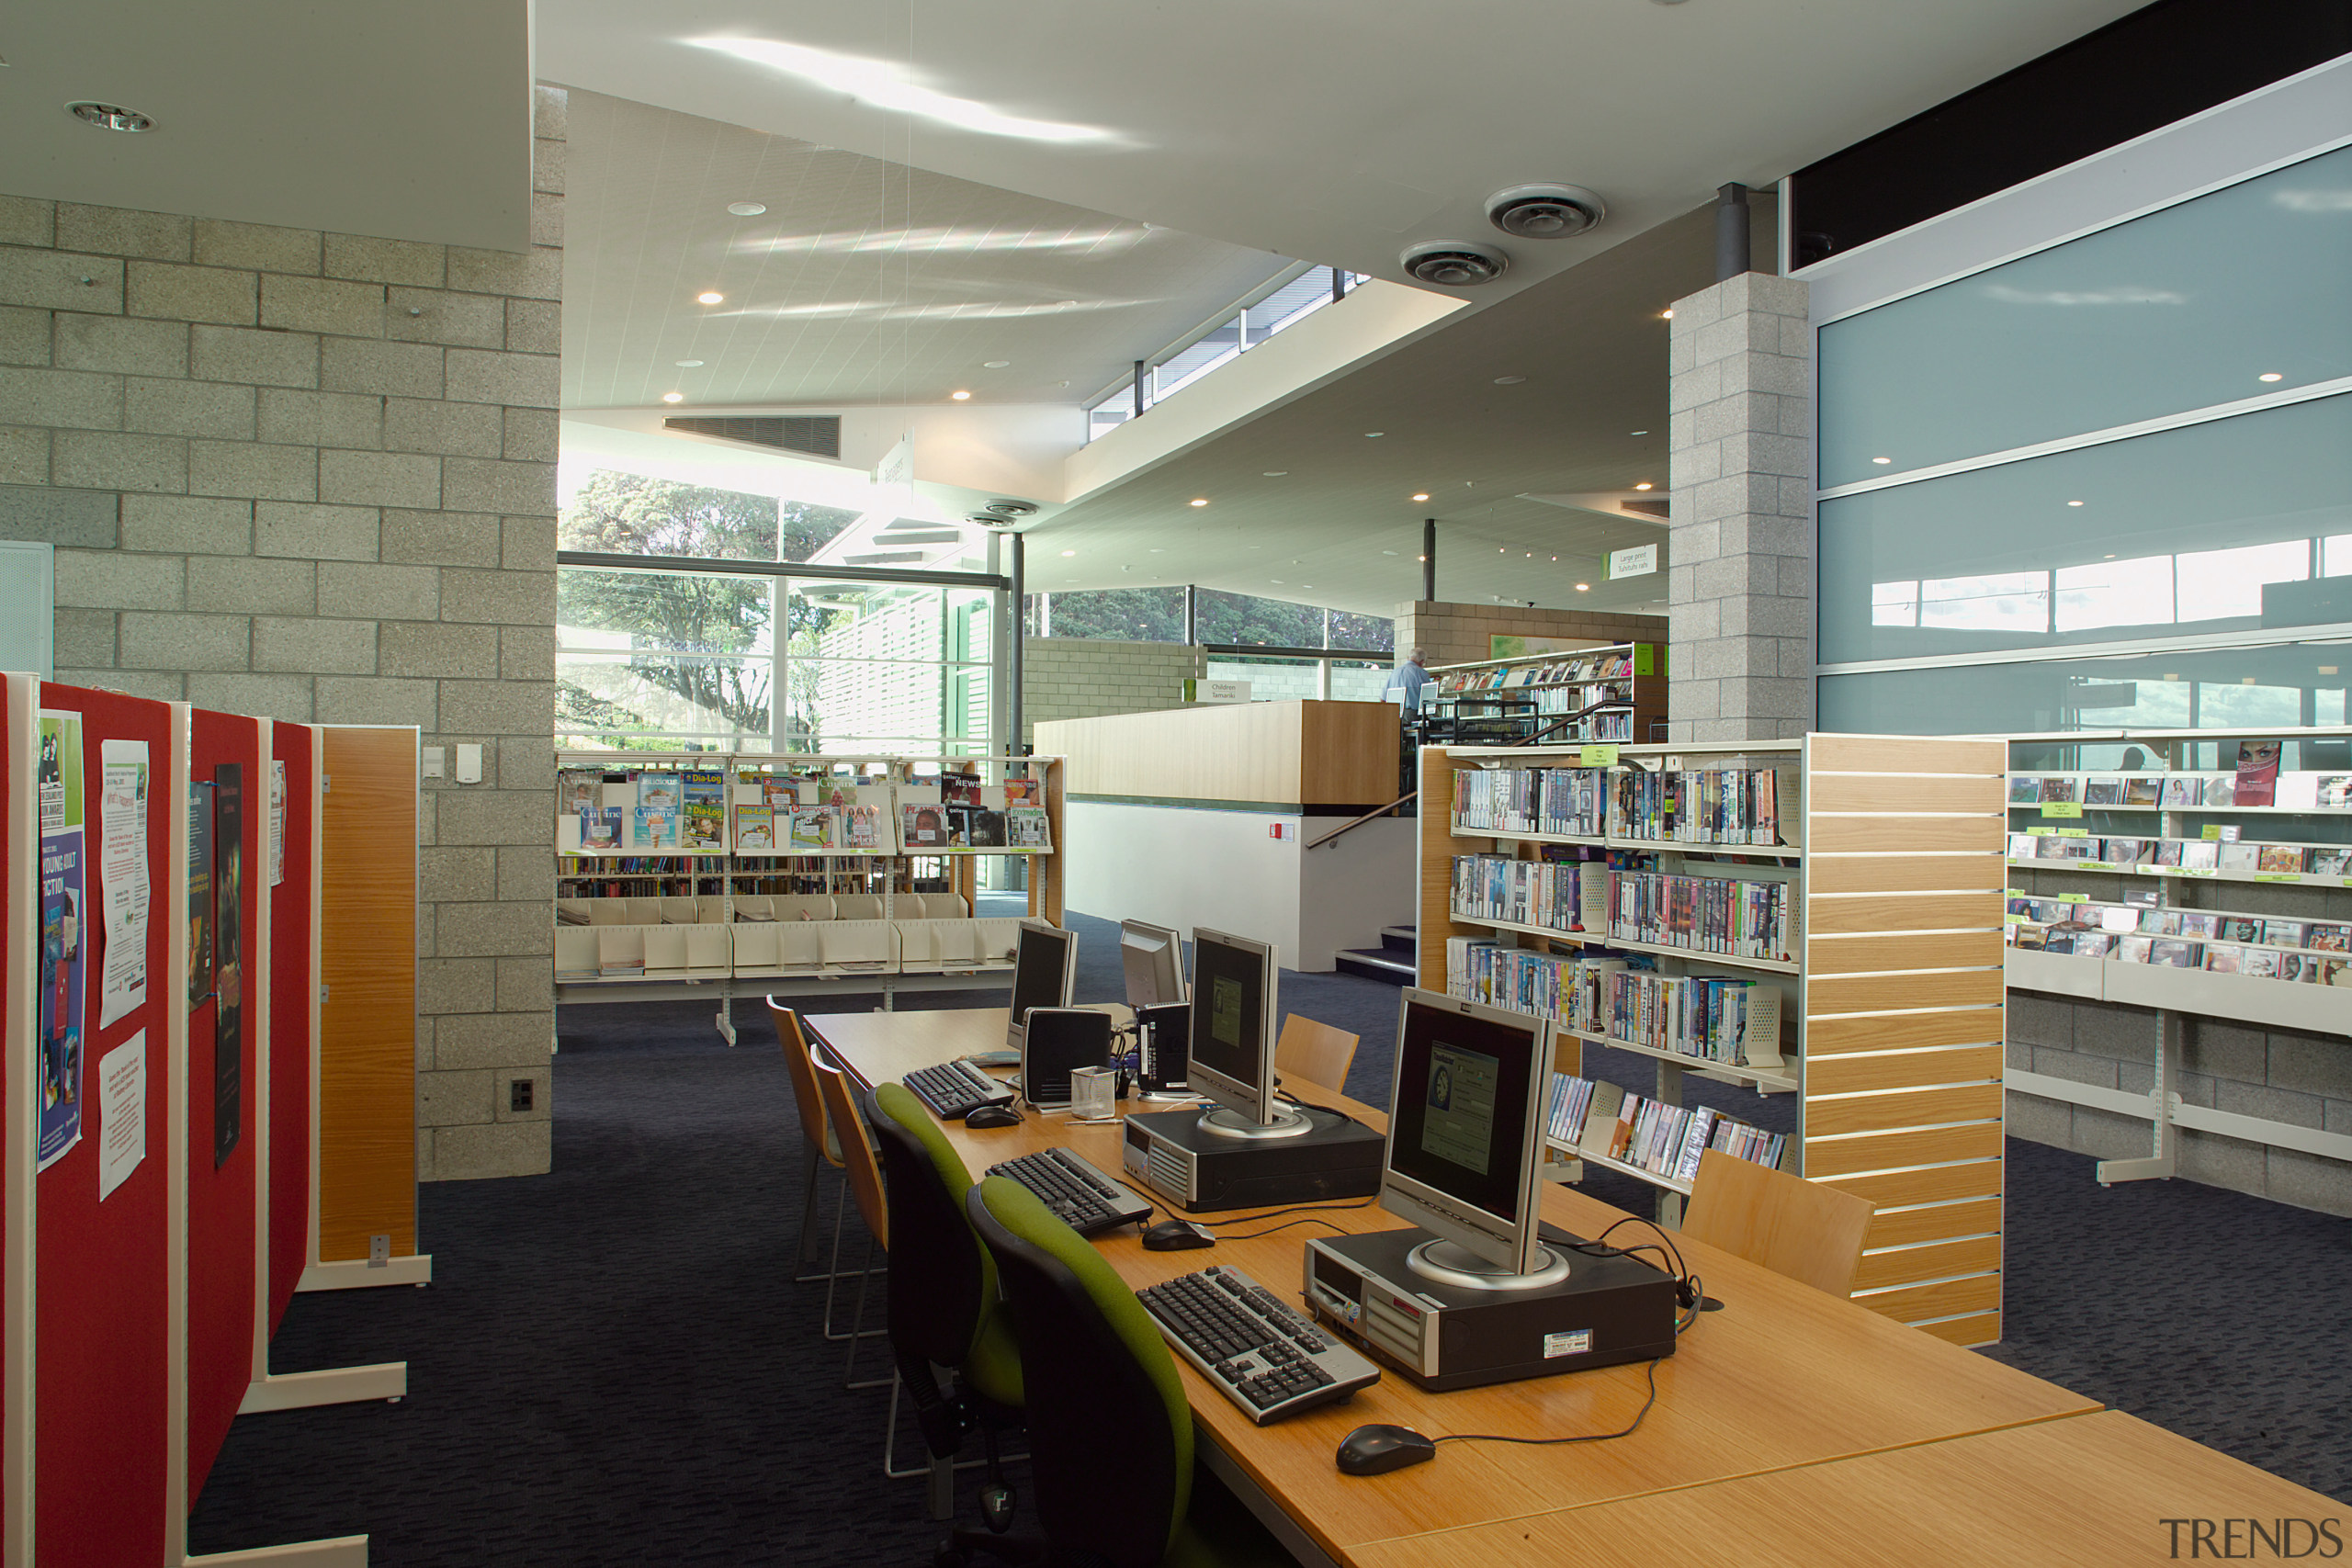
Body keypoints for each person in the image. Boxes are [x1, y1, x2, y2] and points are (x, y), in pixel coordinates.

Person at [1384, 648, 1430, 712]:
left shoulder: (1395, 672)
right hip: (1412, 713)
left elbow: (1383, 698)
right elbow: (1428, 697)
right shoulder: (1421, 673)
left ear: (1408, 658)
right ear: (1422, 662)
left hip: (1394, 712)